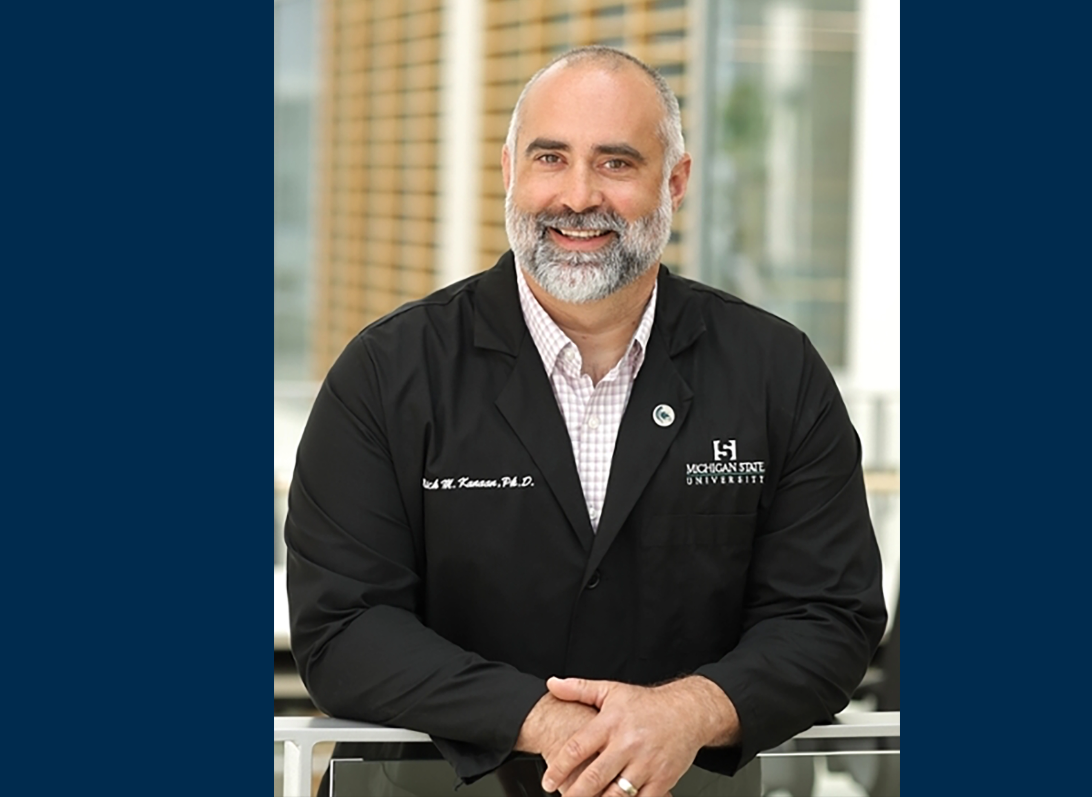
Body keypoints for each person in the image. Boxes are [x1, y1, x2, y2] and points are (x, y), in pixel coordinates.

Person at [286, 45, 887, 797]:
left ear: (675, 181)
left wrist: (686, 711)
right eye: (550, 158)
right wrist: (543, 719)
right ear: (509, 171)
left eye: (615, 163)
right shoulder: (387, 372)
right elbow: (343, 624)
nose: (576, 197)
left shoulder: (777, 371)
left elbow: (830, 615)